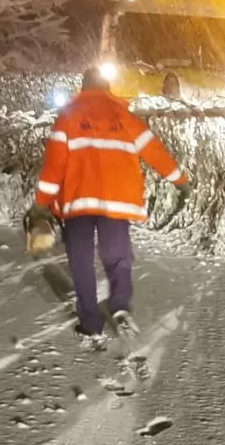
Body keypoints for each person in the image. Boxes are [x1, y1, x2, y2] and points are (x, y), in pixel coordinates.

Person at [26, 66, 191, 350]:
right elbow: (154, 151)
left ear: (83, 87)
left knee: (81, 261)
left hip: (78, 201)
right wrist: (180, 181)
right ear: (107, 89)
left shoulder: (68, 118)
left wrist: (41, 203)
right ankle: (120, 304)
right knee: (117, 257)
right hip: (117, 201)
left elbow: (54, 167)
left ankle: (90, 324)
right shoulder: (123, 117)